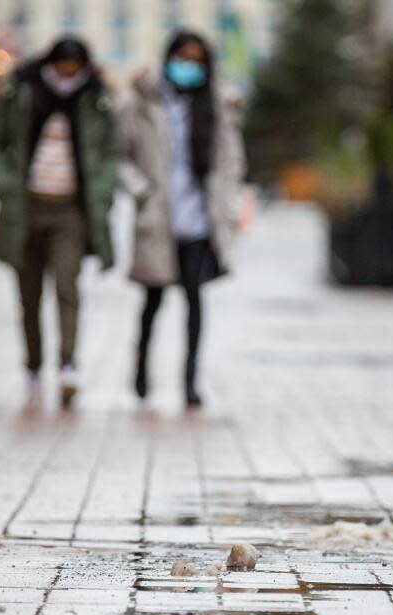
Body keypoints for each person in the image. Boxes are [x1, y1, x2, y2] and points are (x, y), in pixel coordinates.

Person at [117, 31, 246, 408]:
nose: (189, 66)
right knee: (152, 300)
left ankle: (190, 381)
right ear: (169, 56)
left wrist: (227, 201)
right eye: (183, 58)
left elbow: (232, 161)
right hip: (158, 215)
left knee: (195, 299)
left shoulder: (217, 105)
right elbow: (119, 155)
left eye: (197, 60)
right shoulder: (144, 102)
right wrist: (140, 189)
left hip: (199, 218)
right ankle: (141, 370)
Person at [0, 37, 116, 408]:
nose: (69, 74)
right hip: (24, 209)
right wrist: (6, 185)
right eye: (64, 67)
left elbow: (109, 152)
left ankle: (69, 365)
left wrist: (103, 194)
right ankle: (32, 366)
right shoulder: (22, 91)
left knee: (67, 287)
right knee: (28, 295)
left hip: (70, 211)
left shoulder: (94, 97)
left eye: (75, 68)